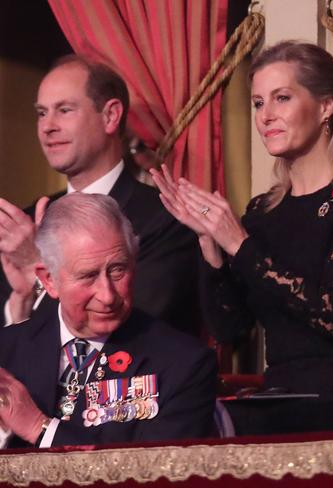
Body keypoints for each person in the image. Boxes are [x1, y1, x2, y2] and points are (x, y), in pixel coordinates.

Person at [151, 41, 333, 434]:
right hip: (282, 395)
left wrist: (238, 243)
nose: (266, 116)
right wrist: (209, 243)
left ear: (326, 106)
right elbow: (229, 329)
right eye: (257, 103)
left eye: (281, 98)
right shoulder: (262, 212)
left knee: (211, 424)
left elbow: (332, 312)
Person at [0, 55, 202, 336]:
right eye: (42, 113)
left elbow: (128, 329)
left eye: (65, 110)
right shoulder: (25, 224)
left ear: (110, 116)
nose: (48, 126)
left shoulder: (165, 218)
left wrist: (39, 273)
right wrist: (19, 304)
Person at [0, 193, 217, 448]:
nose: (107, 295)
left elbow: (158, 475)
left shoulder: (183, 364)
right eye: (88, 276)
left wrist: (40, 427)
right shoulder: (6, 352)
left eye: (118, 270)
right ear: (49, 280)